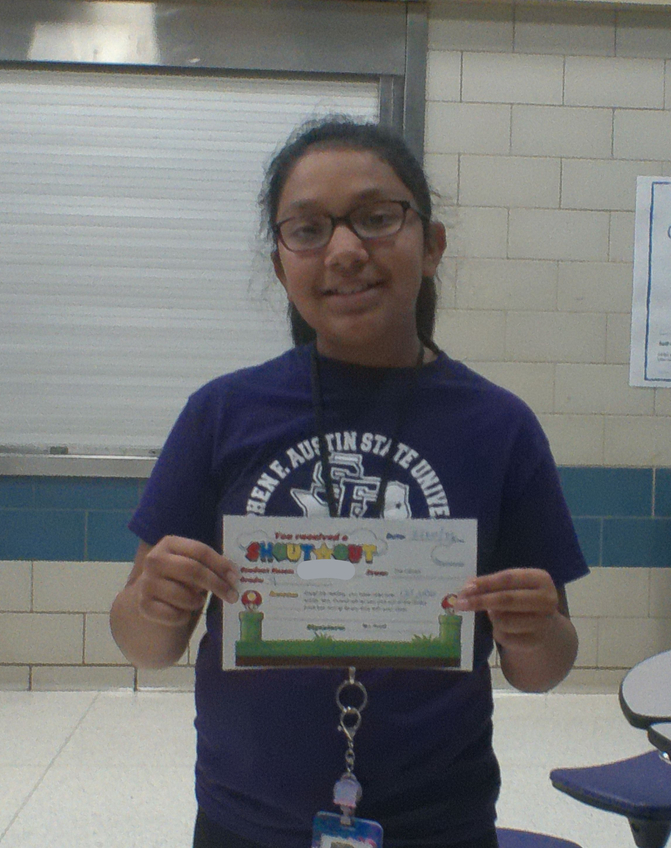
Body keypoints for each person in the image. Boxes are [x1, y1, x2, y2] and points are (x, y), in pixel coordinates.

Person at [109, 117, 589, 848]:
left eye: (375, 218)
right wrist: (153, 600)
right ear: (280, 263)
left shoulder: (499, 427)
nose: (344, 251)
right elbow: (145, 641)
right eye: (307, 229)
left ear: (430, 245)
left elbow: (544, 670)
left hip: (440, 825)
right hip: (247, 824)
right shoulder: (222, 414)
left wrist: (537, 629)